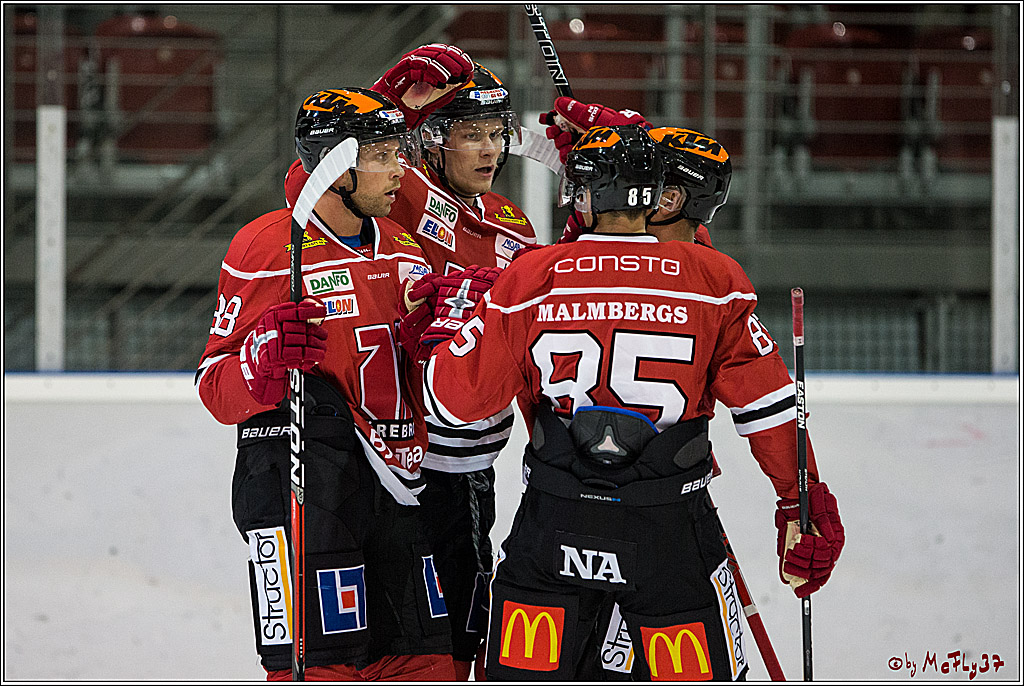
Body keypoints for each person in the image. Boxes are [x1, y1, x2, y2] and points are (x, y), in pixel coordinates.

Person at [415, 124, 845, 680]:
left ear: (587, 198)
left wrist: (452, 333)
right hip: (665, 531)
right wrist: (800, 501)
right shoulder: (716, 281)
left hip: (555, 526)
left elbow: (456, 403)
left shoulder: (533, 276)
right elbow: (769, 409)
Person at [285, 53, 536, 681]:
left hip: (468, 456)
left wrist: (594, 191)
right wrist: (385, 101)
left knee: (461, 625)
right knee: (382, 636)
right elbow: (317, 173)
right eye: (469, 134)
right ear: (429, 138)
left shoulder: (511, 218)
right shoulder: (400, 196)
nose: (489, 150)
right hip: (389, 451)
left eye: (495, 134)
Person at [196, 86, 459, 681]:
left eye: (400, 152)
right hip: (298, 481)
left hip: (395, 484)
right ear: (338, 166)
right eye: (384, 155)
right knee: (318, 669)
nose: (400, 170)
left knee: (428, 662)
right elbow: (216, 387)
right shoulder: (268, 245)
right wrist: (259, 360)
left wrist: (439, 330)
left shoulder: (401, 245)